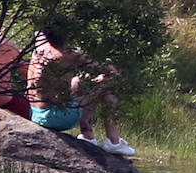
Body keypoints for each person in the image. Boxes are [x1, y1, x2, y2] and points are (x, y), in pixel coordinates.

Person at [26, 15, 134, 156]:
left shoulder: (40, 45)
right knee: (107, 83)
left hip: (35, 113)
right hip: (56, 117)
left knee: (78, 81)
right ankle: (113, 141)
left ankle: (89, 138)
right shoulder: (67, 55)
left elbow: (38, 33)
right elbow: (110, 71)